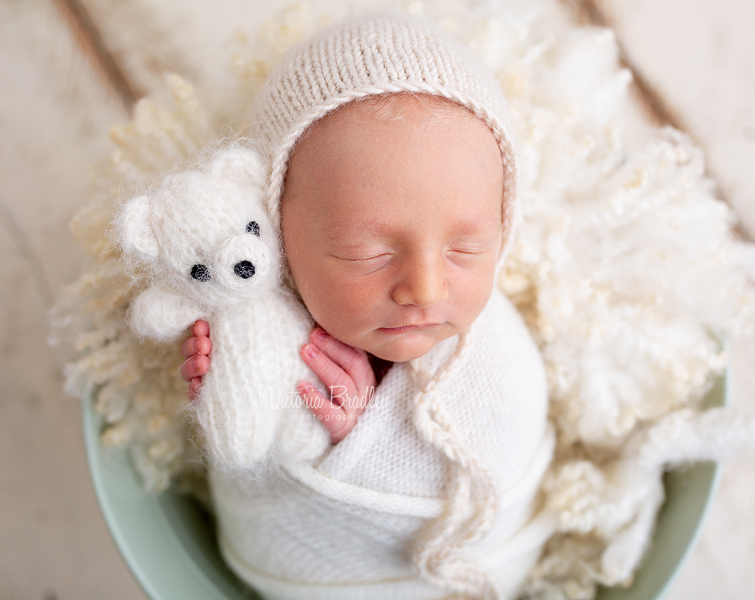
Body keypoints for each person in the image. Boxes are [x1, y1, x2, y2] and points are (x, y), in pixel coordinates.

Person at [179, 13, 555, 600]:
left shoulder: (498, 359)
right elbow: (250, 465)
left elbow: (506, 441)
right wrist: (244, 399)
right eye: (367, 253)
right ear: (278, 234)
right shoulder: (251, 306)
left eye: (467, 249)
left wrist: (375, 442)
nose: (426, 289)